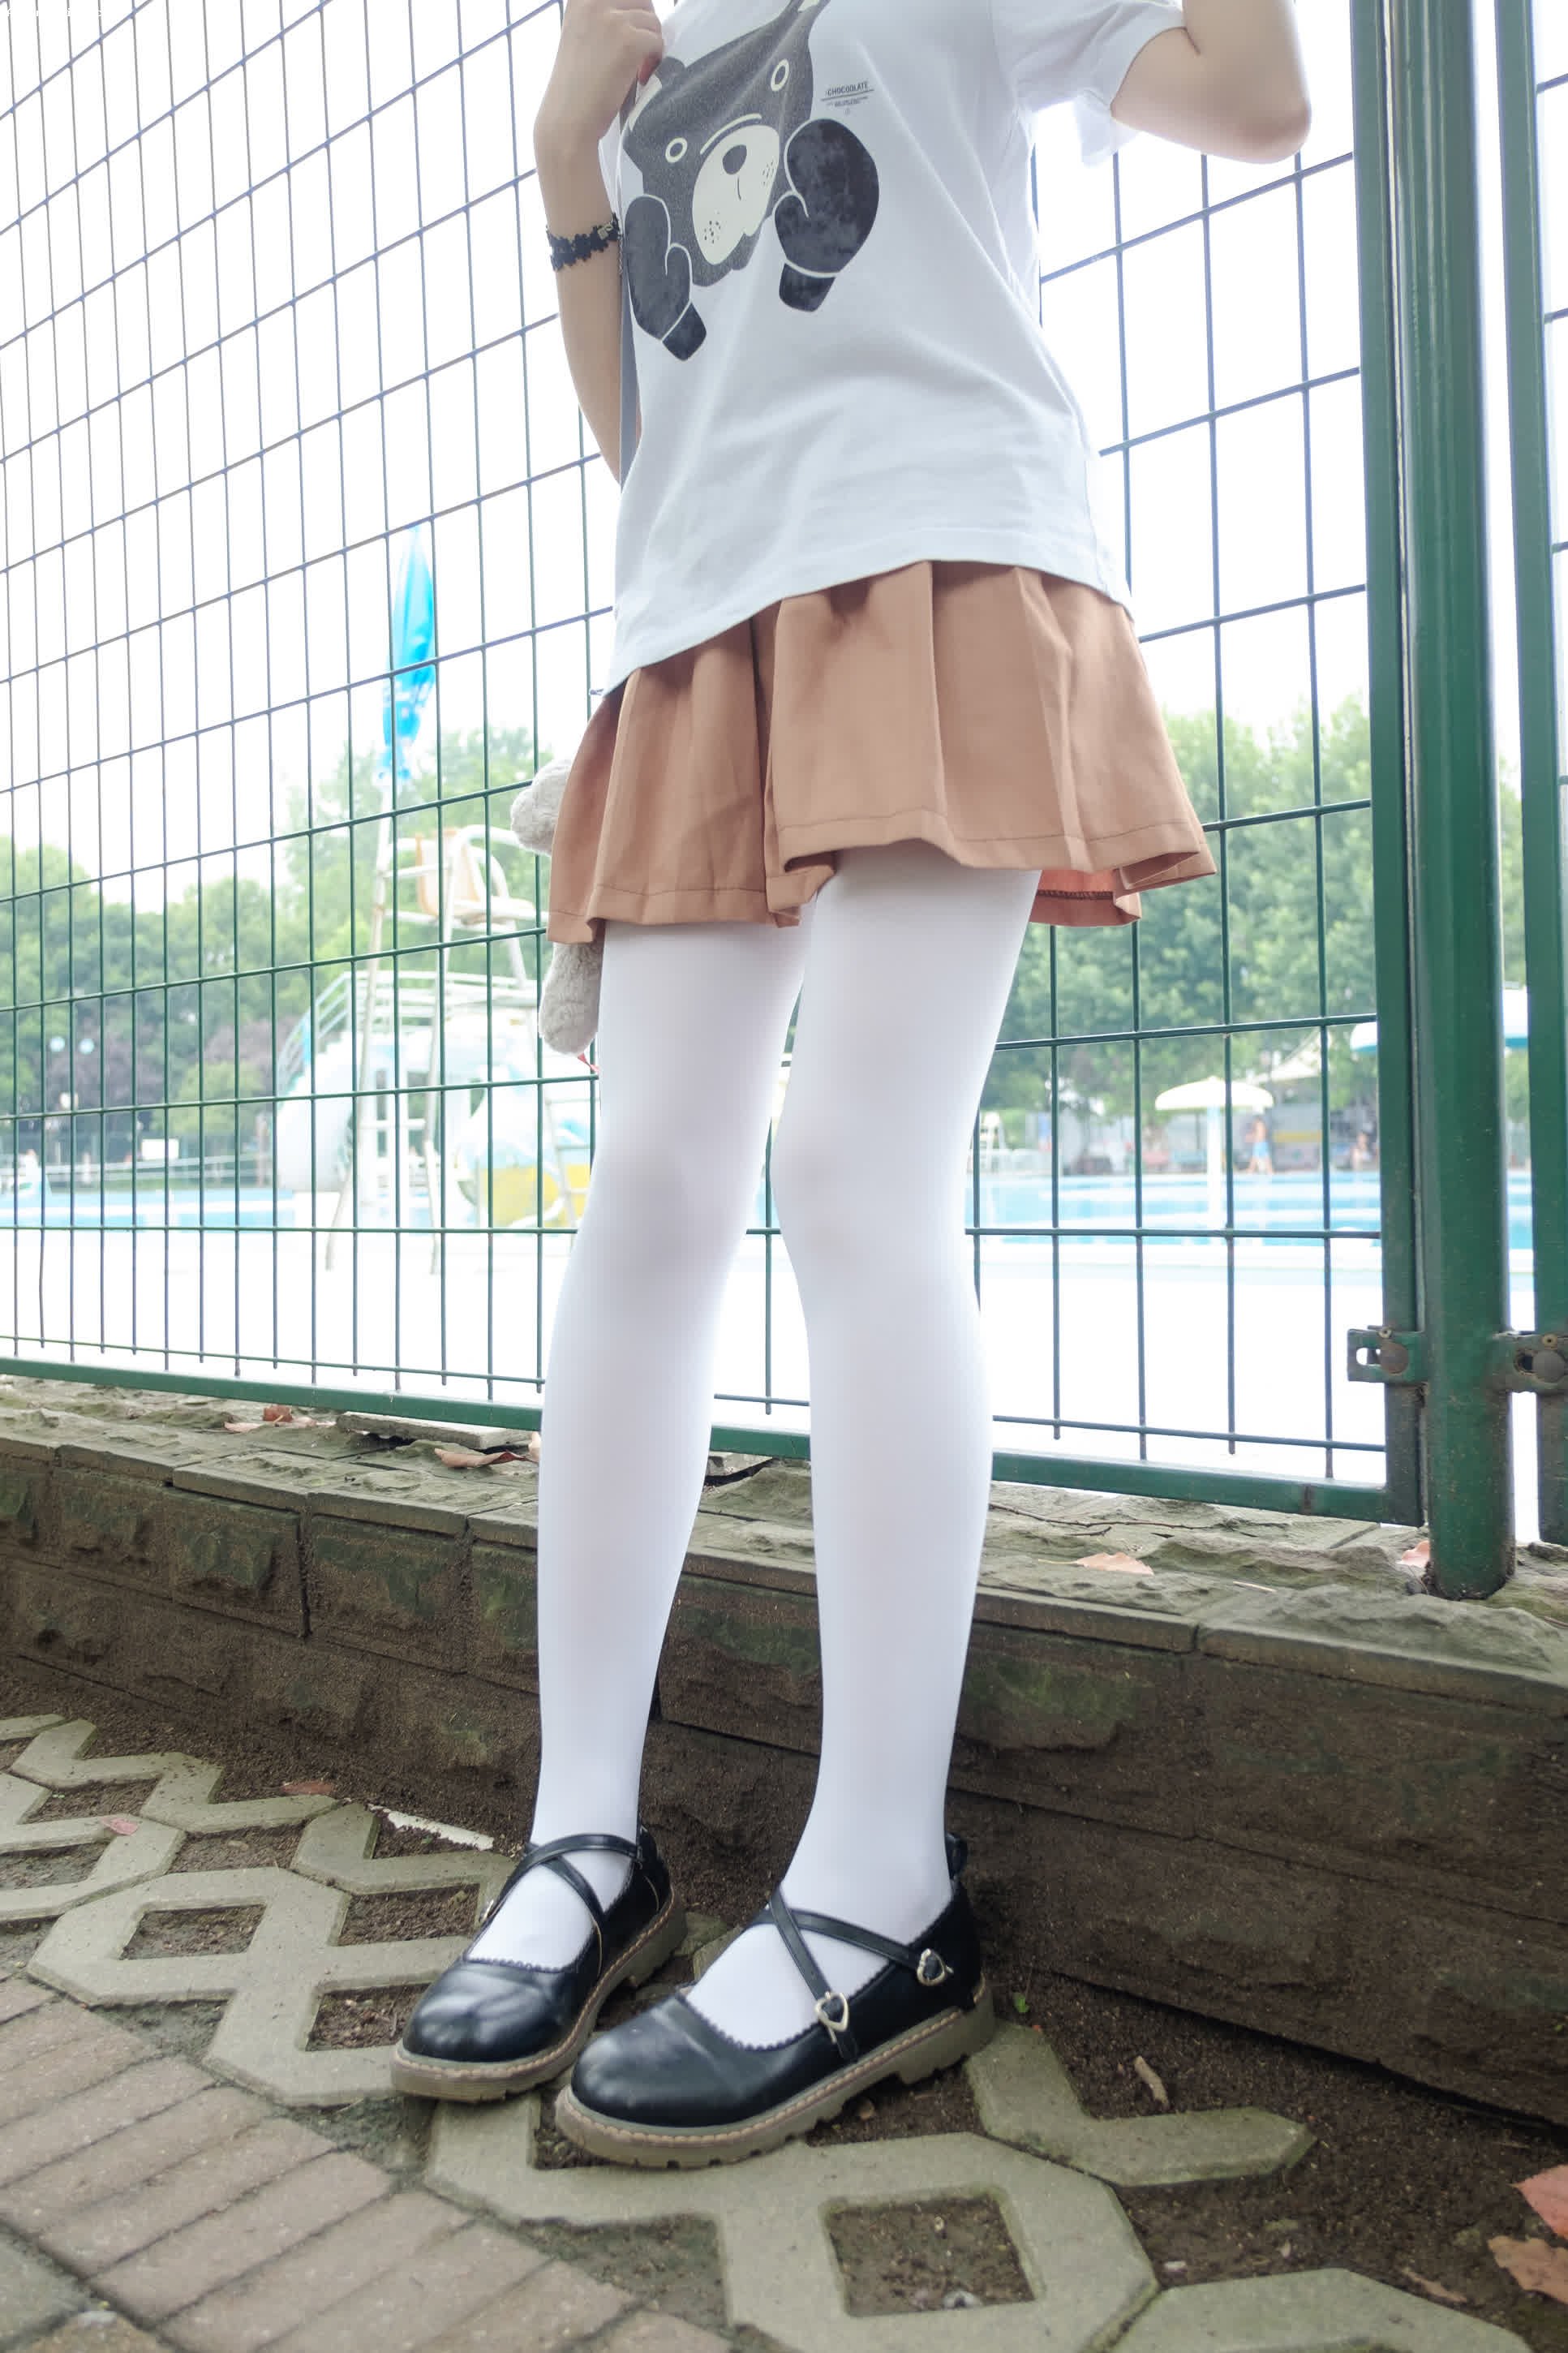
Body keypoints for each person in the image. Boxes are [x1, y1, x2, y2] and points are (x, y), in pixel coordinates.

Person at [391, 0, 1309, 2165]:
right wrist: (567, 155)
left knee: (853, 1165)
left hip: (938, 546)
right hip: (700, 604)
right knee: (650, 1185)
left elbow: (1258, 100)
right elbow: (648, 421)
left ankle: (885, 1881)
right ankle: (586, 1836)